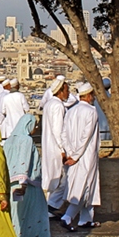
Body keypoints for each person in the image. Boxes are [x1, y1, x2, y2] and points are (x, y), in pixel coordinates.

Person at [3, 114, 58, 237]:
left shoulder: (9, 141)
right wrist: (23, 182)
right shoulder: (26, 140)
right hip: (28, 185)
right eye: (34, 125)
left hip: (11, 183)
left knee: (17, 217)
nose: (36, 128)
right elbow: (24, 160)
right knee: (37, 215)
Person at [59, 83, 102, 230]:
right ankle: (68, 217)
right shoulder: (91, 111)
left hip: (74, 156)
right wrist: (76, 156)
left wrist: (70, 153)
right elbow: (86, 136)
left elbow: (63, 134)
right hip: (85, 156)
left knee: (85, 185)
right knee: (85, 187)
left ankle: (86, 219)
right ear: (89, 96)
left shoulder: (71, 111)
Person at [40, 76, 70, 214]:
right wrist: (62, 149)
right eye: (67, 90)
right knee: (61, 179)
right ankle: (51, 207)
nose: (68, 93)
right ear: (60, 91)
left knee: (52, 177)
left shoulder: (49, 104)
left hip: (48, 146)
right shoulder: (58, 106)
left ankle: (48, 207)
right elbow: (58, 129)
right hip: (56, 148)